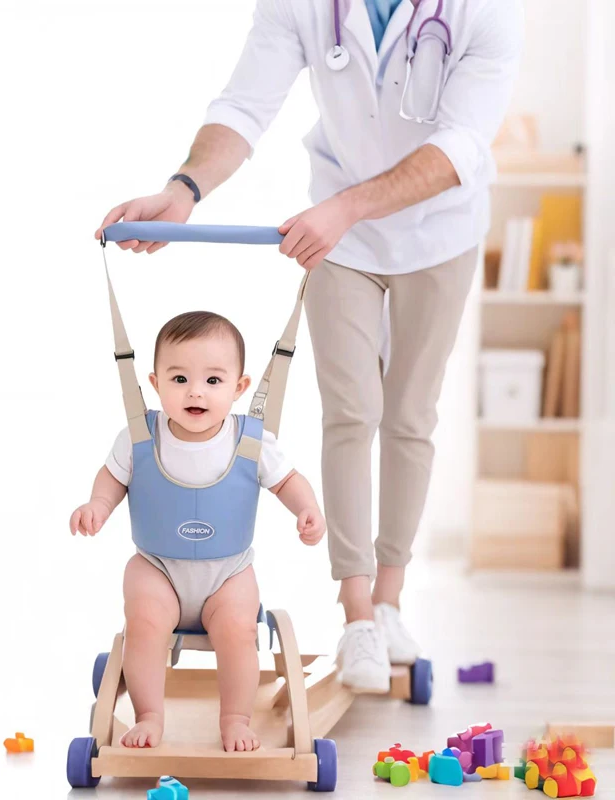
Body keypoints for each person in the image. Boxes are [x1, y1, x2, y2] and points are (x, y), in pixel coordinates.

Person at [95, 0, 523, 692]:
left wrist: (349, 205)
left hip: (440, 231)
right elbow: (244, 105)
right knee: (352, 410)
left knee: (411, 415)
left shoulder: (487, 13)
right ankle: (356, 615)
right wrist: (184, 189)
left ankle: (389, 602)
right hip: (339, 235)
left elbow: (462, 149)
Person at [70, 312, 325, 751]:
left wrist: (307, 509)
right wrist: (98, 505)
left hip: (228, 572)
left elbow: (287, 480)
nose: (195, 391)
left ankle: (236, 718)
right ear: (154, 383)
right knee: (145, 621)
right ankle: (149, 714)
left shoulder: (251, 440)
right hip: (157, 566)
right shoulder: (138, 437)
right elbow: (112, 479)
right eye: (180, 377)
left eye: (212, 380)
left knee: (240, 631)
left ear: (239, 388)